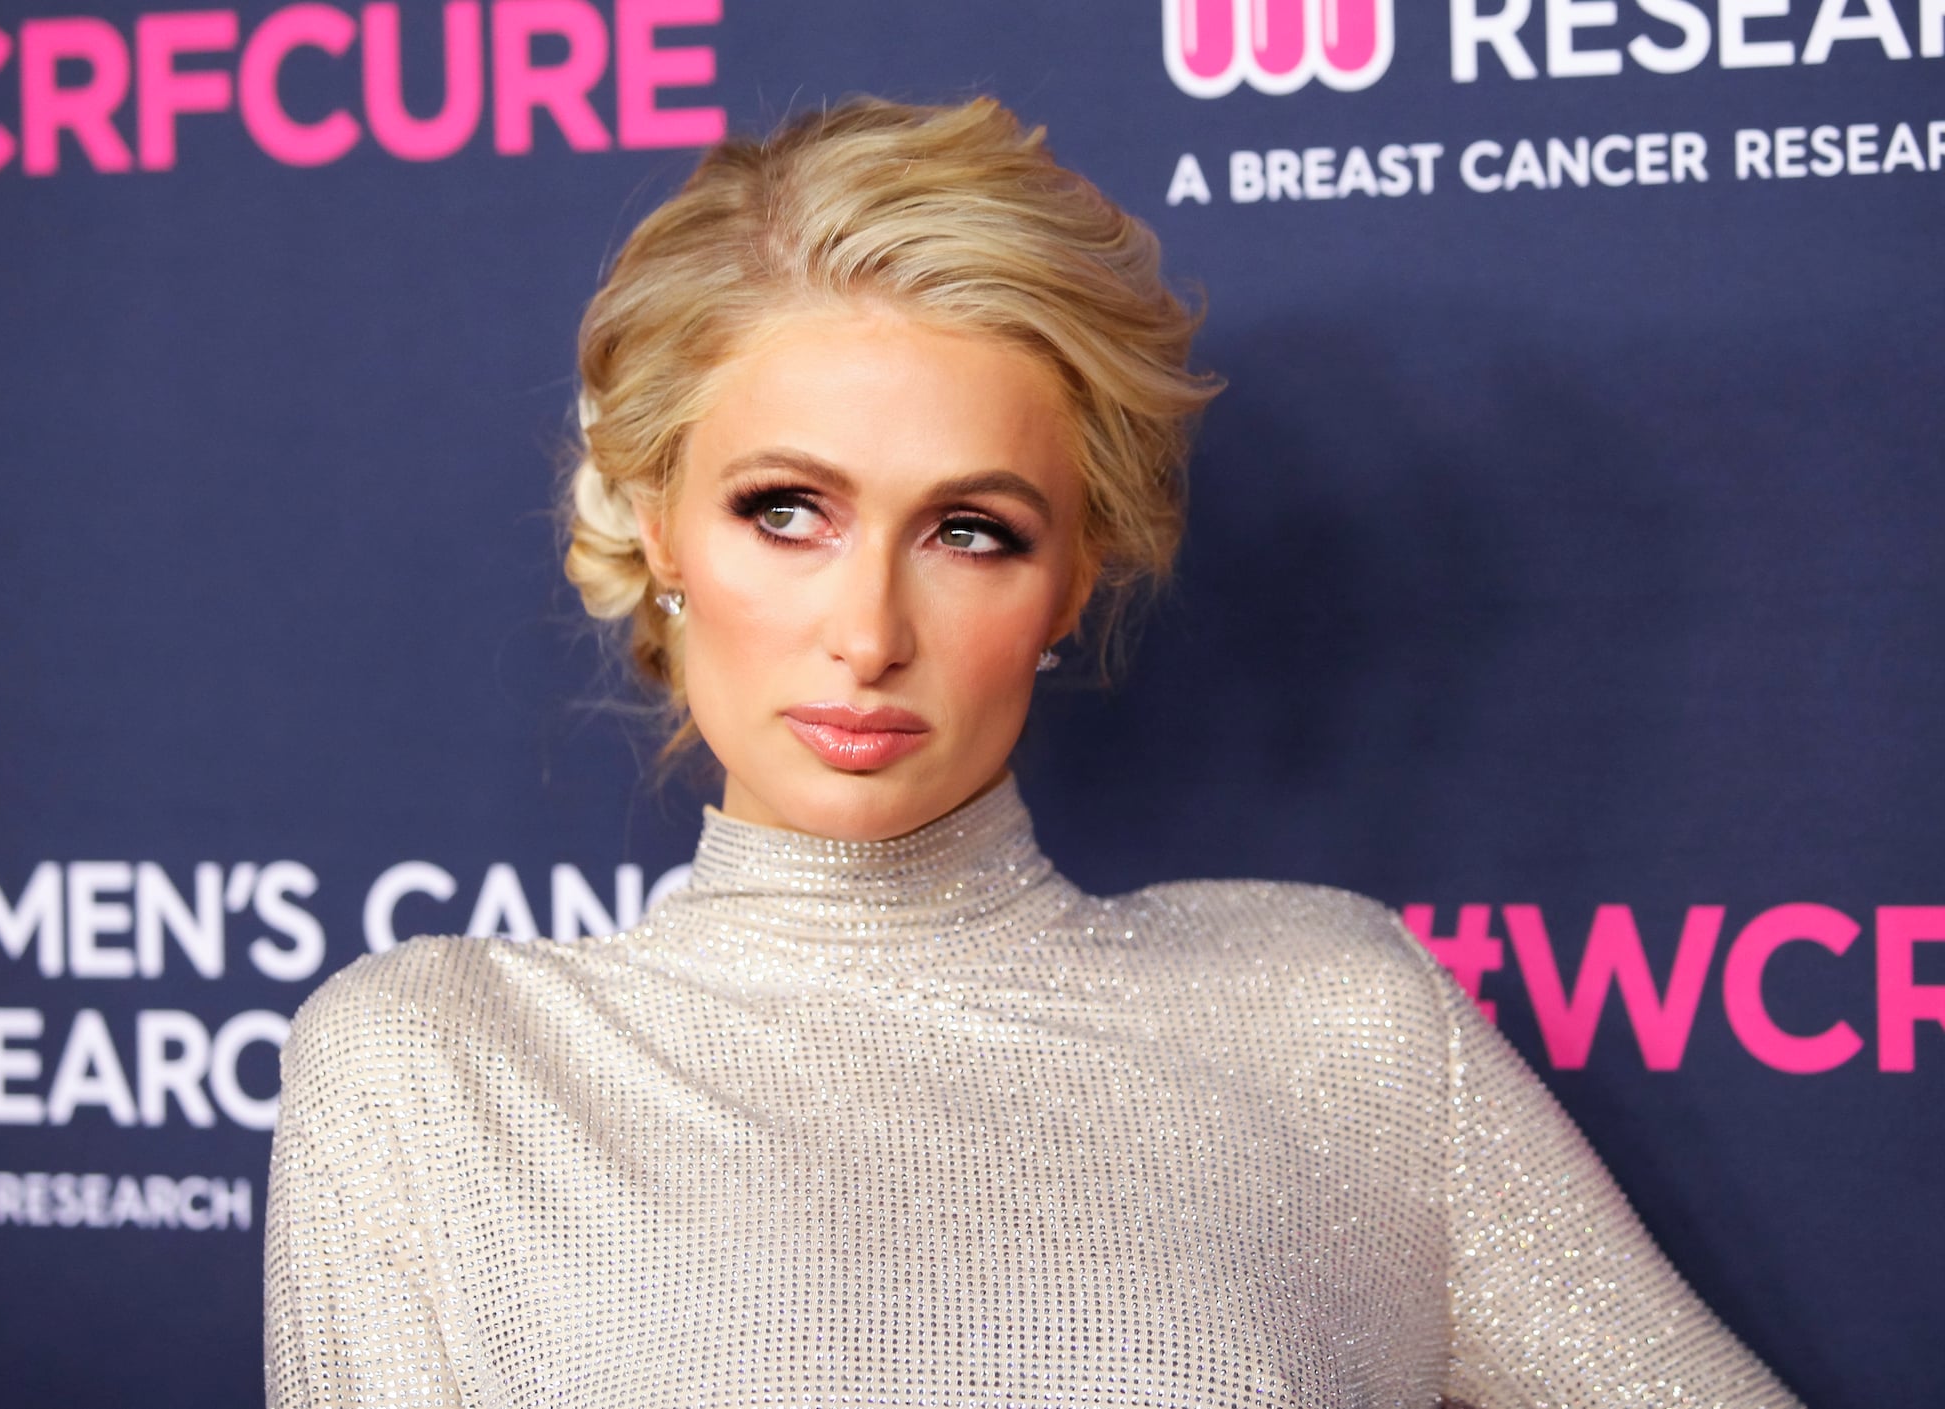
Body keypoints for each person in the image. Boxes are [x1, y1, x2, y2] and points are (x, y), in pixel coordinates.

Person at [263, 97, 1803, 1408]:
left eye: (971, 531)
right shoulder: (433, 1069)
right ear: (660, 524)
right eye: (786, 510)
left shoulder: (1341, 1029)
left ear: (1072, 579)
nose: (870, 631)